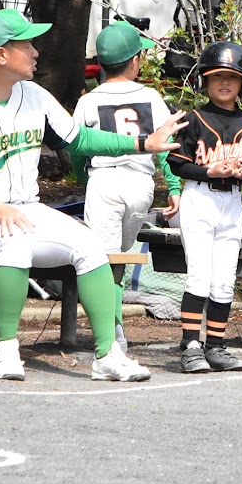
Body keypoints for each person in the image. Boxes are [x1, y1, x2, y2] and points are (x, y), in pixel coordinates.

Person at [0, 9, 185, 382]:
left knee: (90, 244)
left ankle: (108, 355)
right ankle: (6, 350)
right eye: (27, 44)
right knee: (15, 242)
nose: (35, 52)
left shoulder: (34, 95)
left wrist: (143, 143)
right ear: (1, 55)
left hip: (27, 211)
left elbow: (81, 139)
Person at [72, 20, 182, 357]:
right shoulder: (150, 96)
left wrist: (84, 180)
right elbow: (166, 145)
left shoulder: (89, 100)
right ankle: (114, 328)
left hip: (104, 181)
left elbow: (75, 148)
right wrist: (174, 186)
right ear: (135, 61)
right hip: (140, 186)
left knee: (100, 262)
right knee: (118, 261)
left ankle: (112, 332)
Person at [167, 41, 242, 373]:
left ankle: (217, 345)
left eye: (233, 77)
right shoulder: (194, 119)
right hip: (200, 197)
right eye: (217, 76)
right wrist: (210, 170)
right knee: (199, 275)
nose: (225, 82)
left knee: (224, 278)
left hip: (231, 201)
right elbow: (178, 163)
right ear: (204, 81)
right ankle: (191, 345)